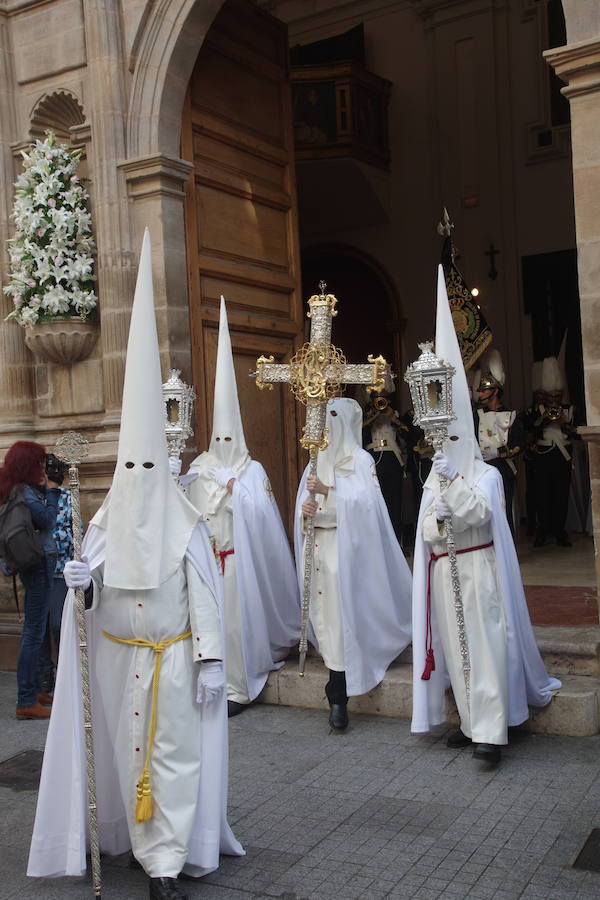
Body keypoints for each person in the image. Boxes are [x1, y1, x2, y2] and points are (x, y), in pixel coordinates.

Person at [28, 231, 243, 900]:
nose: (143, 477)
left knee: (172, 759)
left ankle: (167, 863)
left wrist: (210, 658)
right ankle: (127, 838)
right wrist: (78, 585)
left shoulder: (185, 523)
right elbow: (88, 592)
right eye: (133, 466)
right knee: (125, 760)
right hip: (120, 659)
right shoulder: (102, 520)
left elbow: (204, 591)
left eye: (150, 465)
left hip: (173, 658)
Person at [411, 268, 561, 766]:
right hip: (444, 570)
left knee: (486, 647)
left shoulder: (486, 476)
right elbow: (429, 529)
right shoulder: (437, 475)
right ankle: (470, 720)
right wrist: (440, 507)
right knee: (456, 648)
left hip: (479, 570)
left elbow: (477, 517)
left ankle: (492, 732)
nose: (451, 449)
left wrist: (452, 489)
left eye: (459, 441)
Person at [185, 297, 300, 718]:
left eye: (230, 440)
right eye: (220, 440)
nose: (224, 447)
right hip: (207, 563)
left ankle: (238, 686)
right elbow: (190, 513)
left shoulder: (252, 471)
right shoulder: (199, 466)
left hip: (237, 565)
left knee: (235, 626)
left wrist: (234, 489)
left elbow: (263, 522)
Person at [295, 396, 412, 732]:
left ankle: (338, 696)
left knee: (345, 619)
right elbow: (305, 506)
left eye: (332, 419)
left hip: (350, 555)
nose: (326, 427)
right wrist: (305, 513)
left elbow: (367, 508)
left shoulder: (361, 461)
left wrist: (329, 491)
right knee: (329, 622)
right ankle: (336, 689)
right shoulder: (314, 461)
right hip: (321, 551)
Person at [0, 440, 60, 720]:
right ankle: (26, 699)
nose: (43, 467)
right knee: (34, 632)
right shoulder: (27, 491)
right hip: (40, 563)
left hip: (30, 563)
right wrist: (53, 490)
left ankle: (34, 690)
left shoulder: (12, 488)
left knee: (35, 629)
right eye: (40, 461)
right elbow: (48, 520)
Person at [472, 349, 524, 537]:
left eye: (484, 389)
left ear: (495, 391)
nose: (481, 393)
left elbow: (519, 444)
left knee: (504, 508)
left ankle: (507, 547)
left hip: (503, 467)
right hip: (482, 468)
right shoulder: (476, 416)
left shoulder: (512, 416)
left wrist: (500, 452)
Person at [531, 356, 577, 548]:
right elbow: (531, 431)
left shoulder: (570, 409)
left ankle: (559, 530)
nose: (554, 401)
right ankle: (542, 530)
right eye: (551, 397)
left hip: (562, 455)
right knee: (543, 494)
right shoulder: (538, 410)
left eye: (557, 397)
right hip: (543, 456)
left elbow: (575, 434)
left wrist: (563, 423)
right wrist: (544, 418)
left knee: (561, 495)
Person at [362, 387, 408, 545]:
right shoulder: (366, 416)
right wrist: (373, 416)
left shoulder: (394, 414)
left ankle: (396, 540)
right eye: (377, 398)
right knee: (375, 500)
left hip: (392, 458)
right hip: (373, 458)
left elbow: (407, 434)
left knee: (394, 500)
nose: (380, 401)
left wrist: (393, 419)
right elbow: (360, 435)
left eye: (383, 398)